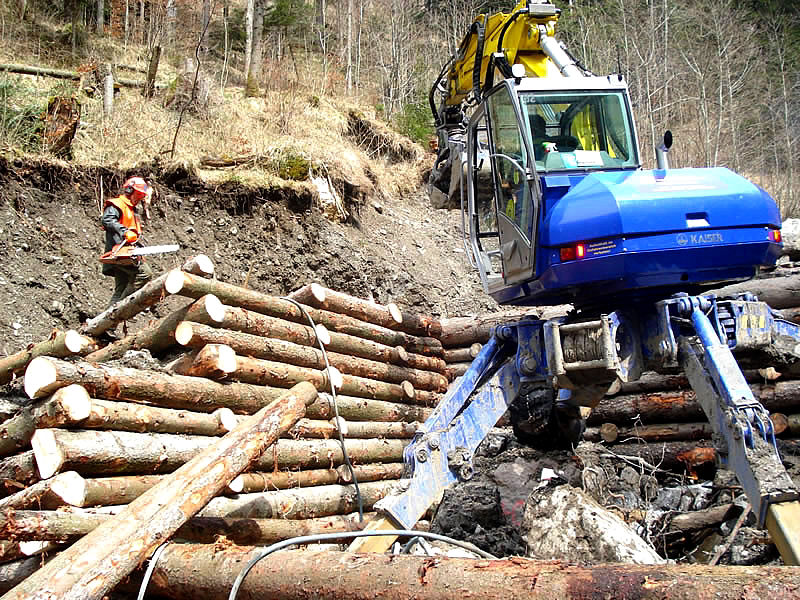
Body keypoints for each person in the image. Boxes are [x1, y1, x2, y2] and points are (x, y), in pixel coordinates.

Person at [100, 176, 154, 307]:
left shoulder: (131, 210)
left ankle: (107, 324)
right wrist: (124, 231)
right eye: (139, 195)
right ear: (131, 191)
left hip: (127, 252)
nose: (140, 198)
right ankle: (121, 308)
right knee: (145, 274)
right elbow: (107, 220)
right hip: (119, 252)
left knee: (120, 290)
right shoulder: (117, 205)